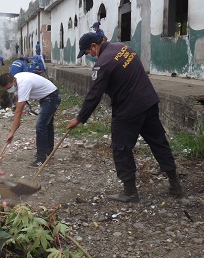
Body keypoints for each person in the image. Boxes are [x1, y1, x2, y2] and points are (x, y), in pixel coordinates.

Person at [69, 32, 183, 203]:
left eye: (87, 52)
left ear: (94, 46)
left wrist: (79, 118)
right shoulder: (124, 48)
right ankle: (175, 185)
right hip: (149, 101)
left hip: (128, 109)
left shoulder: (103, 63)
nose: (89, 56)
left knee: (121, 148)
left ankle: (130, 192)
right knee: (159, 142)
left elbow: (94, 95)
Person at [0, 72, 61, 167]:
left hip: (52, 97)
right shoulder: (16, 82)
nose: (9, 90)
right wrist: (16, 125)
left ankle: (41, 159)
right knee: (47, 125)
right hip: (46, 97)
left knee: (41, 125)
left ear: (14, 81)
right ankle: (48, 152)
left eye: (9, 87)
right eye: (6, 89)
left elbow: (19, 111)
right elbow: (18, 102)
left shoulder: (24, 83)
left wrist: (11, 132)